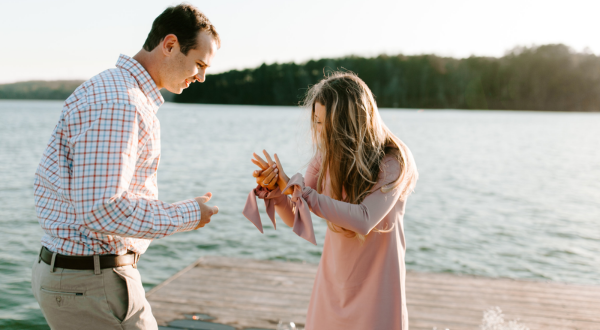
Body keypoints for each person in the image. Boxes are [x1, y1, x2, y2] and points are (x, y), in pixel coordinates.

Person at [31, 4, 220, 329]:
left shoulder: (112, 89)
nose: (201, 77)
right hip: (91, 282)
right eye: (199, 64)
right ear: (170, 45)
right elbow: (101, 210)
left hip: (84, 278)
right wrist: (189, 214)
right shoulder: (121, 102)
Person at [248, 72, 418, 329]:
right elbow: (298, 216)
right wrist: (279, 194)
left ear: (352, 123)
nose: (320, 130)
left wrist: (302, 193)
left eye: (328, 123)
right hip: (333, 285)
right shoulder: (324, 158)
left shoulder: (393, 162)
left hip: (378, 291)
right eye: (316, 121)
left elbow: (363, 219)